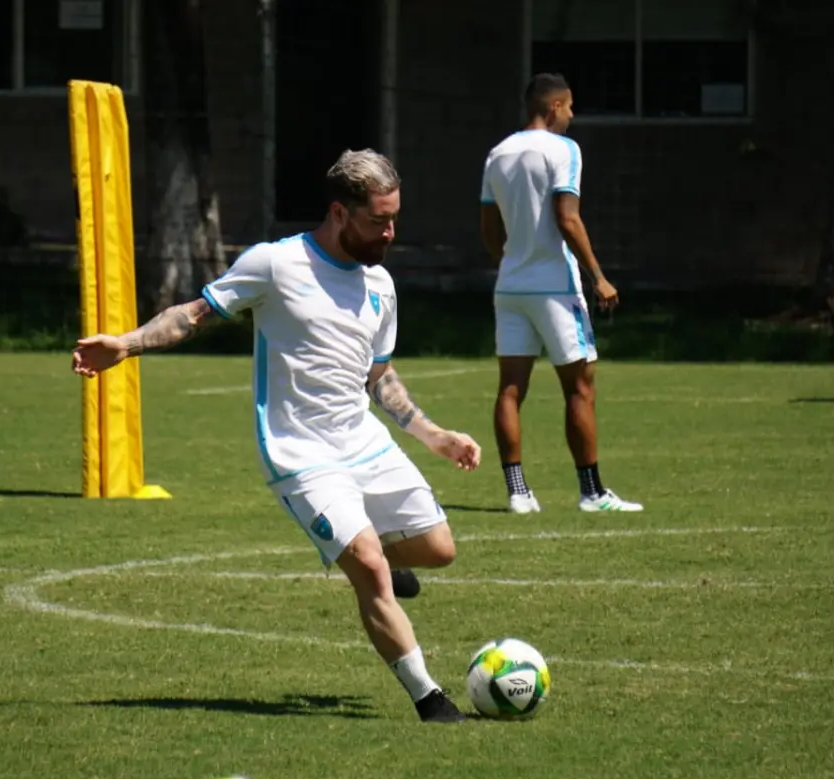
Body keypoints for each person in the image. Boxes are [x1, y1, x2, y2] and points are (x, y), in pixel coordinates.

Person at [72, 149, 480, 723]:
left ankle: (378, 555)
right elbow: (193, 314)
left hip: (361, 438)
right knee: (368, 565)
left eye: (395, 219)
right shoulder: (275, 264)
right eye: (377, 220)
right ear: (340, 213)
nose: (389, 232)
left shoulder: (381, 285)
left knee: (440, 549)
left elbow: (379, 376)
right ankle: (430, 699)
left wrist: (434, 435)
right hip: (299, 451)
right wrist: (126, 343)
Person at [479, 73, 642, 514]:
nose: (572, 116)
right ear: (554, 106)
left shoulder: (498, 152)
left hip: (511, 284)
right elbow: (568, 219)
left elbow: (489, 227)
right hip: (555, 284)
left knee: (510, 389)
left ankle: (517, 492)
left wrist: (510, 264)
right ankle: (592, 492)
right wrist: (598, 276)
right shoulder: (564, 150)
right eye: (570, 107)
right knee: (579, 388)